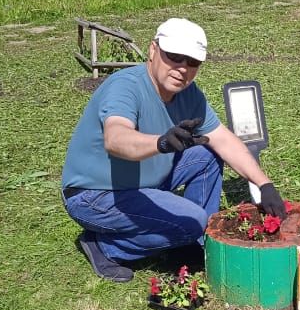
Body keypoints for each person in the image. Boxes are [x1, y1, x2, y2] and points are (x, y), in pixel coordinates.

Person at [62, 17, 287, 282]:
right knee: (193, 220)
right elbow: (116, 138)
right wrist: (160, 143)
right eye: (175, 57)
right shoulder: (125, 87)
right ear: (153, 50)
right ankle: (106, 246)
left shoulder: (188, 94)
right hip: (95, 194)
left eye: (192, 62)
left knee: (207, 151)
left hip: (141, 179)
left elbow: (223, 139)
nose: (183, 68)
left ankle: (188, 241)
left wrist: (264, 184)